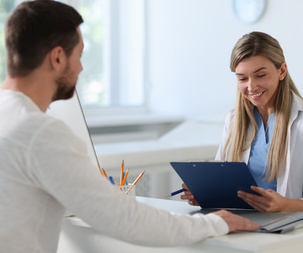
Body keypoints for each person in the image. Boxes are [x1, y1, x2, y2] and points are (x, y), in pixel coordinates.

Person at [0, 1, 259, 252]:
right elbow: (124, 219)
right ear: (57, 58)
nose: (80, 67)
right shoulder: (40, 132)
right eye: (79, 55)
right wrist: (215, 222)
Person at [181, 31, 303, 216]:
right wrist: (206, 194)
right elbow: (222, 182)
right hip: (239, 222)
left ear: (282, 71)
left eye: (260, 75)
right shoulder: (234, 120)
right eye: (242, 78)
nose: (251, 87)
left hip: (284, 227)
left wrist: (284, 205)